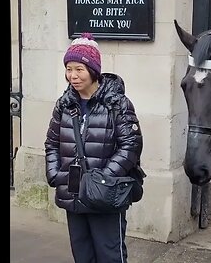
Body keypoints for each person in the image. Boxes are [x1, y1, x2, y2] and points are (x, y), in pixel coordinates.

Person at [44, 32, 143, 263]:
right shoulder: (64, 105)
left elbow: (131, 145)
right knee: (82, 255)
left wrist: (103, 179)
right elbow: (51, 143)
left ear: (93, 70)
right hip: (73, 194)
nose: (73, 76)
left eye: (79, 69)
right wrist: (54, 174)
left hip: (105, 196)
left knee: (110, 255)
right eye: (69, 69)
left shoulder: (117, 103)